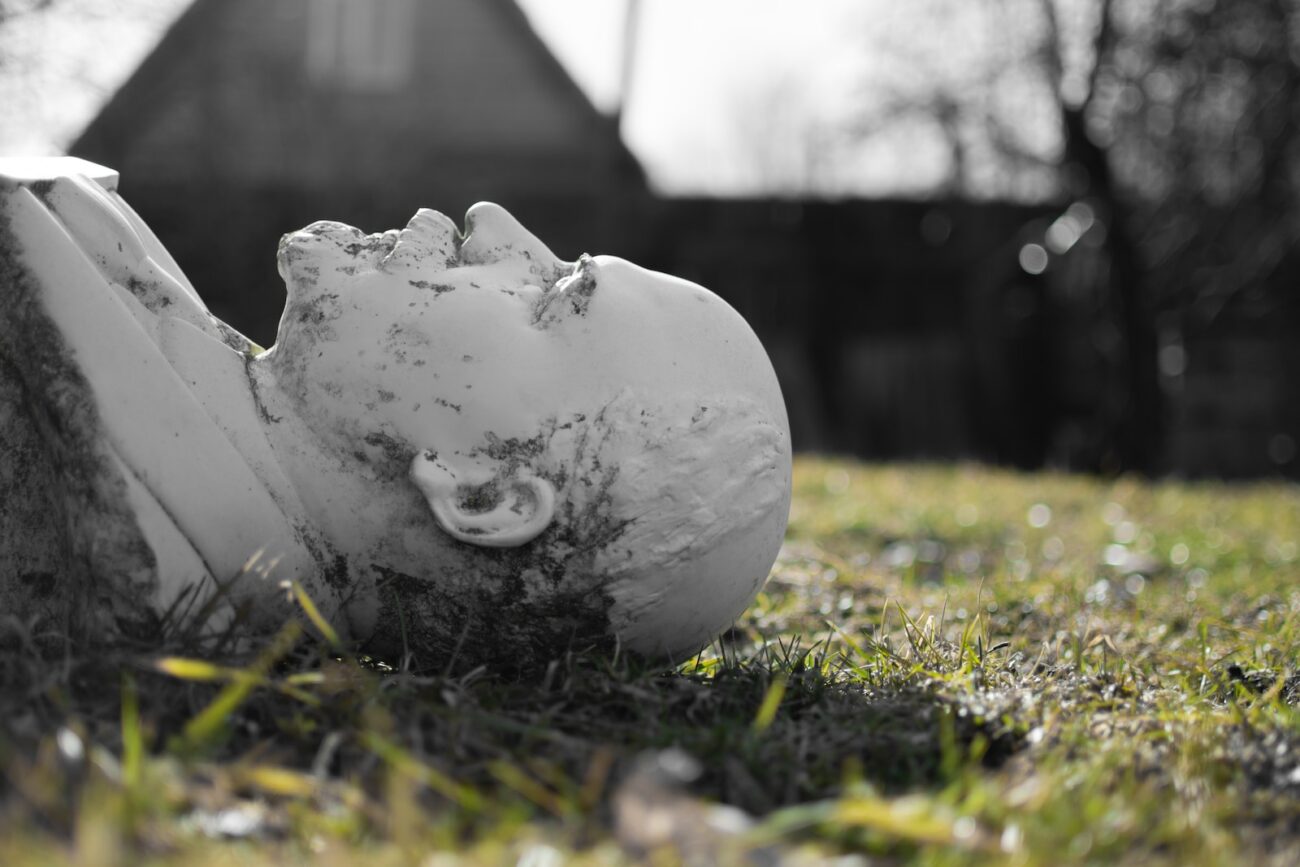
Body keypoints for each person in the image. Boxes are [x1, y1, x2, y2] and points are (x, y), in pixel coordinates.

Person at [0, 158, 791, 665]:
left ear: (482, 490)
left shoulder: (99, 521)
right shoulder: (123, 298)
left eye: (550, 295)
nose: (490, 223)